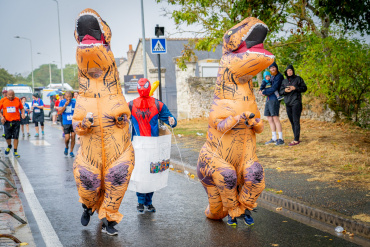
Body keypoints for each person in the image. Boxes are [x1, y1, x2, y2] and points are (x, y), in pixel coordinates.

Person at [128, 78, 177, 213]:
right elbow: (119, 118)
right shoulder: (131, 105)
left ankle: (148, 202)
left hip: (153, 144)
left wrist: (172, 121)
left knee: (153, 172)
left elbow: (171, 120)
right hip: (138, 145)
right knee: (139, 173)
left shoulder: (157, 105)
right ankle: (140, 201)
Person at [280, 64, 307, 146]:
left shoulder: (298, 79)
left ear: (293, 71)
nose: (289, 72)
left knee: (296, 121)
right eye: (288, 71)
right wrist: (285, 90)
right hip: (288, 103)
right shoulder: (284, 81)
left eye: (290, 70)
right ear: (286, 72)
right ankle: (296, 137)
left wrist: (295, 88)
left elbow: (304, 88)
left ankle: (296, 140)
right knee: (292, 121)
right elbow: (280, 92)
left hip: (296, 102)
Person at [259, 62, 284, 145]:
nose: (272, 69)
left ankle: (280, 139)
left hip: (274, 99)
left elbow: (274, 88)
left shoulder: (279, 76)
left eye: (274, 67)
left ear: (276, 68)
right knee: (269, 118)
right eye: (271, 68)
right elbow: (265, 84)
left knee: (275, 118)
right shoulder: (271, 77)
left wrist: (264, 92)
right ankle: (274, 138)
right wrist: (261, 90)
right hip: (268, 99)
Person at [0, 90, 25, 158]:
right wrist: (2, 117)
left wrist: (23, 114)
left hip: (16, 121)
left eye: (12, 95)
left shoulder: (17, 100)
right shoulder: (3, 100)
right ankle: (9, 145)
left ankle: (15, 151)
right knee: (7, 137)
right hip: (7, 121)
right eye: (9, 95)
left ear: (14, 94)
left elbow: (22, 108)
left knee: (16, 137)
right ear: (7, 95)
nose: (11, 97)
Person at [58, 91, 76, 157]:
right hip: (66, 122)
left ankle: (71, 151)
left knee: (73, 136)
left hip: (73, 122)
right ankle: (66, 147)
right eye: (67, 97)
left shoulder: (74, 102)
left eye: (70, 96)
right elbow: (59, 112)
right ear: (65, 96)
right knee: (67, 138)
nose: (69, 98)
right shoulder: (62, 102)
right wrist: (65, 105)